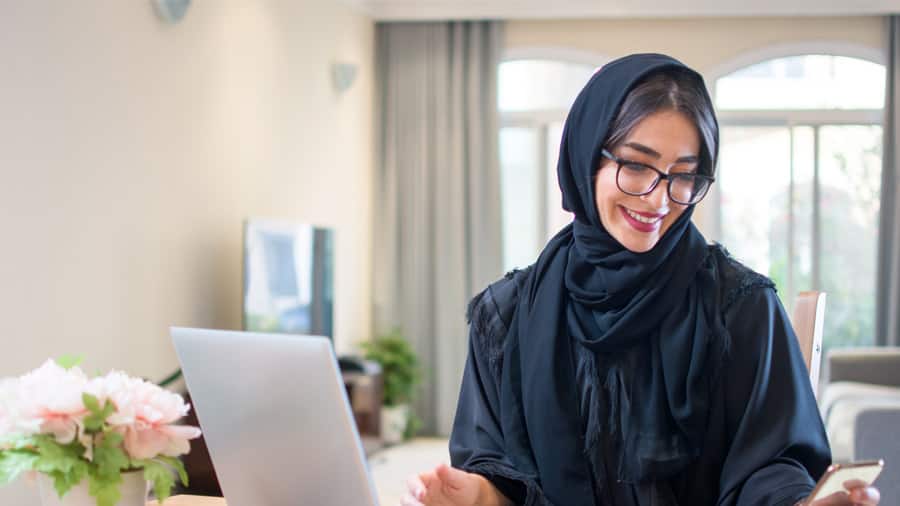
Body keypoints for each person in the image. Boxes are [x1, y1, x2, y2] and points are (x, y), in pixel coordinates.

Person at [401, 53, 881, 506]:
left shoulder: (740, 308)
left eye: (683, 176)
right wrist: (480, 495)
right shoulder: (504, 317)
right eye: (636, 165)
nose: (658, 200)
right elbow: (493, 468)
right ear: (587, 157)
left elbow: (772, 463)